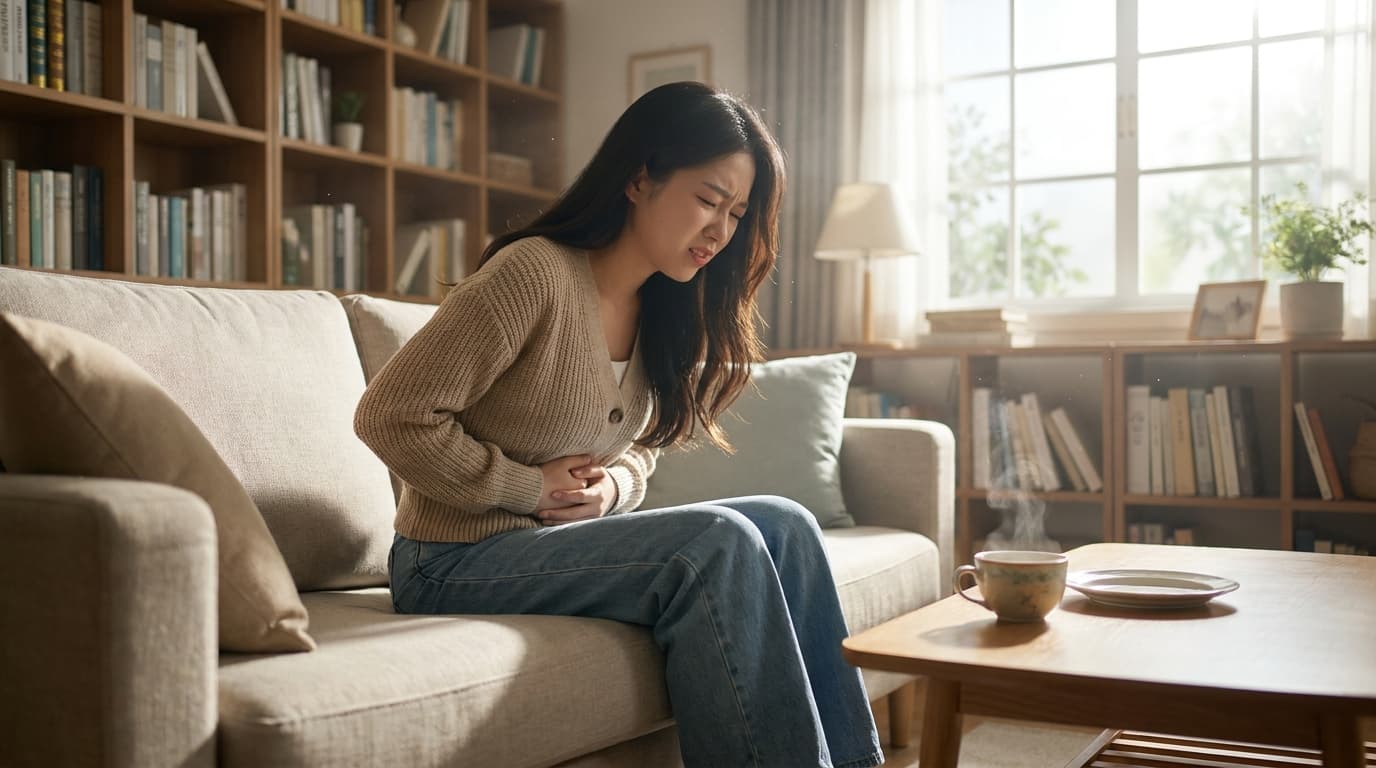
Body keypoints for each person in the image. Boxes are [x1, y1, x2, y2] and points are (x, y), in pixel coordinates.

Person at [354, 81, 883, 768]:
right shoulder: (533, 275)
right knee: (714, 542)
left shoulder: (665, 305)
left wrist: (611, 491)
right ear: (640, 179)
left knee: (785, 523)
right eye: (707, 200)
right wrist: (524, 487)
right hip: (448, 560)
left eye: (737, 213)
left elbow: (639, 450)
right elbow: (390, 416)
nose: (721, 231)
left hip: (555, 547)